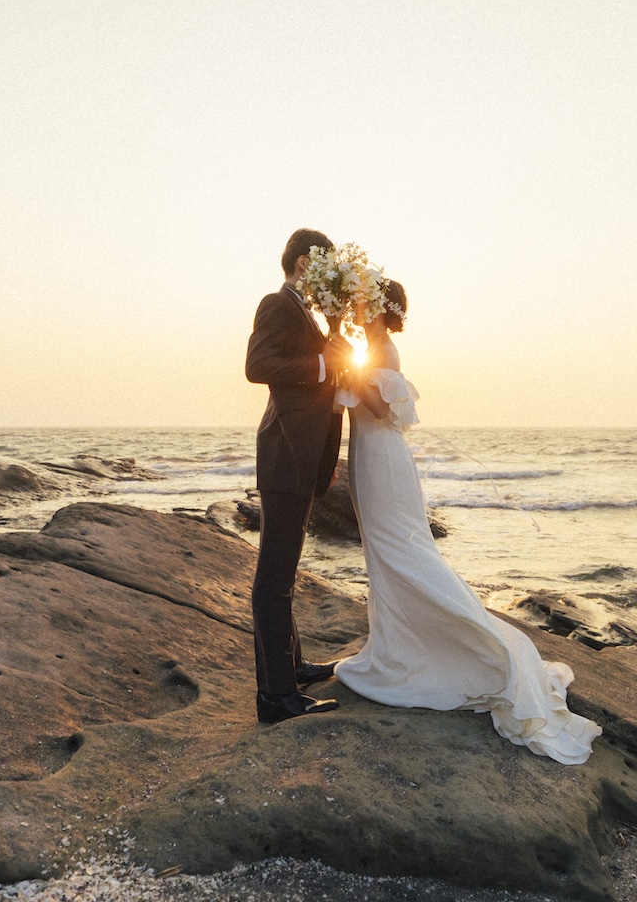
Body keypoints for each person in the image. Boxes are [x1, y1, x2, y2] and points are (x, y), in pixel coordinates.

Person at [334, 279, 601, 763]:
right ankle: (393, 645)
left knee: (403, 550)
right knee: (385, 552)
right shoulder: (368, 347)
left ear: (374, 307)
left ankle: (467, 649)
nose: (354, 307)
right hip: (369, 457)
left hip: (383, 457)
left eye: (359, 301)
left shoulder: (384, 351)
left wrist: (342, 371)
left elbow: (377, 406)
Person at [242, 228, 346, 724]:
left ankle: (293, 667)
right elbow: (258, 364)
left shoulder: (304, 310)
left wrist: (334, 326)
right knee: (273, 579)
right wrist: (321, 363)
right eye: (326, 264)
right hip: (285, 453)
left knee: (284, 573)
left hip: (300, 455)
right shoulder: (276, 303)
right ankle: (275, 698)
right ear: (305, 263)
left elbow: (327, 362)